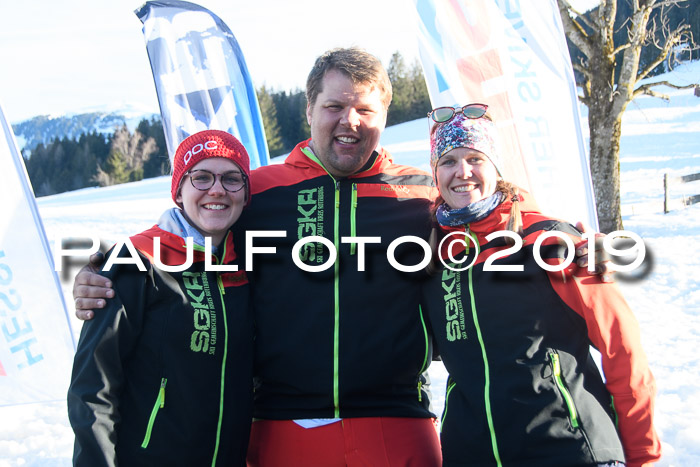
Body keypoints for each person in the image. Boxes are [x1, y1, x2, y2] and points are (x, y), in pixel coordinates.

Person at [71, 48, 612, 466]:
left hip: (399, 421)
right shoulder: (257, 192)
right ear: (309, 109)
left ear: (382, 115)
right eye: (334, 106)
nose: (348, 119)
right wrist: (103, 270)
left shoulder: (421, 196)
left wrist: (566, 241)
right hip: (281, 427)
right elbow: (187, 229)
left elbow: (503, 212)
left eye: (364, 108)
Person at [422, 104, 661, 466]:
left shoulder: (551, 241)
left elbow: (622, 348)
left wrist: (643, 453)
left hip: (567, 450)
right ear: (435, 174)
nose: (463, 172)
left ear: (496, 167)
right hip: (471, 453)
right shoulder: (434, 258)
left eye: (475, 158)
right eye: (448, 161)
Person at [68, 130, 254, 466]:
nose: (217, 189)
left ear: (245, 193)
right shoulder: (137, 261)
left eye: (231, 179)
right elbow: (94, 388)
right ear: (179, 192)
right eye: (201, 177)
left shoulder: (246, 267)